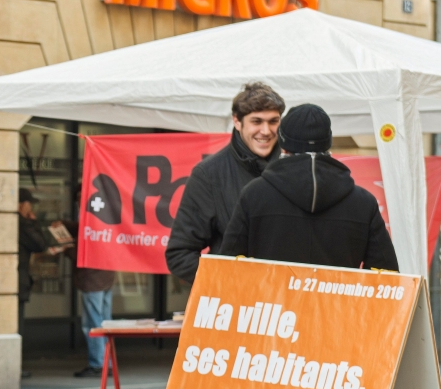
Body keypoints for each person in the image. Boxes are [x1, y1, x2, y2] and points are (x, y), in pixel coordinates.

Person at [216, 104, 399, 271]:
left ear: (283, 145)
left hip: (271, 306)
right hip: (338, 307)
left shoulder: (254, 195)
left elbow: (227, 268)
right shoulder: (364, 203)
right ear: (328, 143)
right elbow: (385, 278)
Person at [164, 82, 285, 285]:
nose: (266, 131)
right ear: (237, 121)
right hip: (234, 306)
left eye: (273, 121)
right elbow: (180, 255)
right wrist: (231, 281)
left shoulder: (292, 168)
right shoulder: (209, 175)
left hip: (289, 305)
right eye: (257, 121)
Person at [17, 189, 70, 352]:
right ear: (21, 205)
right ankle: (16, 359)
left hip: (18, 277)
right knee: (16, 323)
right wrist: (33, 222)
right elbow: (39, 244)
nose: (30, 208)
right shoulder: (23, 223)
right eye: (28, 204)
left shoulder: (18, 222)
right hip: (18, 278)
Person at [73, 249, 117, 380]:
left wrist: (67, 249)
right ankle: (107, 363)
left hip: (92, 280)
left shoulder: (89, 233)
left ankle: (97, 364)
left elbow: (83, 254)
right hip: (107, 278)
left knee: (93, 325)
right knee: (105, 323)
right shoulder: (108, 231)